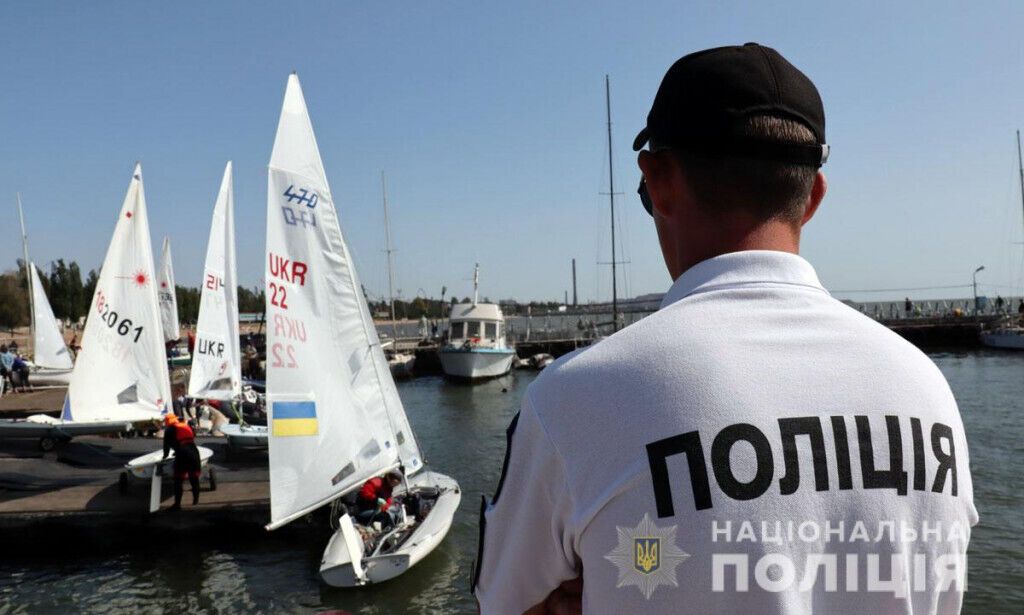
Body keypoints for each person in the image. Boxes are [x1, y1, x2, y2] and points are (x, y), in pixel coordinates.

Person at [474, 43, 977, 614]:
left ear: (658, 182)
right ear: (812, 197)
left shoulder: (573, 402)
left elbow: (505, 603)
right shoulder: (928, 393)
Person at [162, 413, 202, 511]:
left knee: (178, 480)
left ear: (167, 422)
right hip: (193, 451)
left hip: (182, 453)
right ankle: (196, 501)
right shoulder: (185, 425)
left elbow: (166, 446)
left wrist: (165, 456)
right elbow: (189, 439)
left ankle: (177, 505)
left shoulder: (170, 429)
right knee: (194, 477)